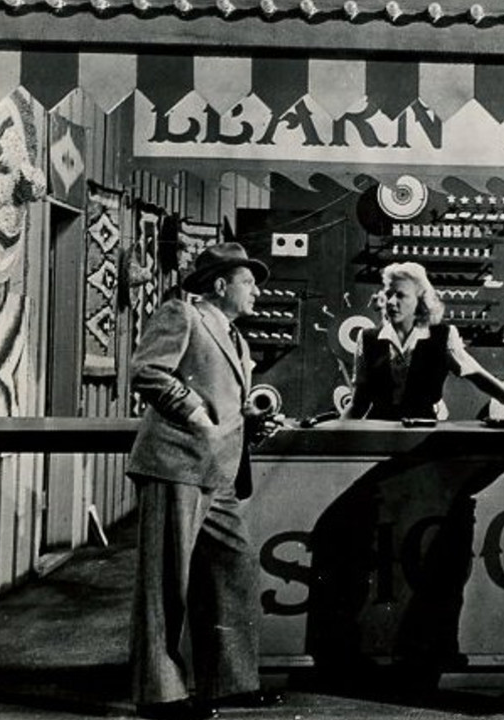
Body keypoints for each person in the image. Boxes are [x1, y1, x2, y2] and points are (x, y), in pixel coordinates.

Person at [126, 243, 284, 720]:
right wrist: (195, 412)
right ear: (220, 284)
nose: (256, 291)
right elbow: (147, 372)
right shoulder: (182, 314)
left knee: (234, 567)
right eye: (248, 282)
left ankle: (229, 684)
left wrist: (249, 419)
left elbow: (222, 396)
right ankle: (160, 695)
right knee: (166, 584)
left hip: (218, 472)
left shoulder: (236, 337)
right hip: (175, 465)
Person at [344, 262, 504, 421]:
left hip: (422, 434)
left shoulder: (442, 337)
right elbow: (359, 403)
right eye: (388, 294)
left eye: (401, 295)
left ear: (420, 300)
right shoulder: (367, 338)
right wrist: (334, 432)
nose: (392, 302)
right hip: (378, 435)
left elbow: (482, 379)